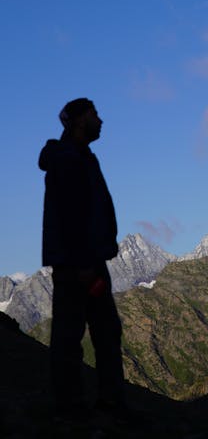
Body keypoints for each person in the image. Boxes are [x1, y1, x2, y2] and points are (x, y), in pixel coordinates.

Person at [39, 98, 125, 419]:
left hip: (81, 260)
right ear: (78, 121)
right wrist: (84, 264)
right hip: (80, 264)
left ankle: (91, 403)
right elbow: (72, 215)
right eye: (94, 115)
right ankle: (79, 407)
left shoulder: (81, 157)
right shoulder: (69, 160)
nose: (100, 121)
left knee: (91, 332)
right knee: (82, 333)